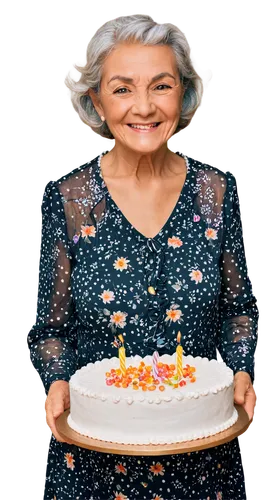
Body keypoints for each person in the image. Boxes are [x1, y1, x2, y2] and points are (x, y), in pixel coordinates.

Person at [26, 12, 260, 499]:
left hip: (206, 467)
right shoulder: (69, 199)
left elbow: (240, 311)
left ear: (185, 94)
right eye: (123, 89)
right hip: (90, 470)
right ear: (95, 100)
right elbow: (49, 330)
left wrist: (242, 369)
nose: (145, 107)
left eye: (161, 85)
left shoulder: (216, 193)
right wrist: (54, 381)